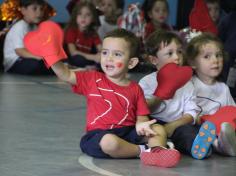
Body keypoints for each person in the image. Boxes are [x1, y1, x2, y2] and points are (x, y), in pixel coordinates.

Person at [24, 23, 181, 167]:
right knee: (109, 143)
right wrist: (51, 56)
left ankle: (157, 152)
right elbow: (65, 74)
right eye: (105, 52)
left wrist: (143, 125)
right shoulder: (92, 78)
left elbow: (141, 117)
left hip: (128, 132)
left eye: (117, 54)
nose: (109, 58)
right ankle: (144, 151)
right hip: (98, 136)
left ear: (131, 63)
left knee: (158, 129)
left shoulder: (135, 88)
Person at [139, 29, 217, 160]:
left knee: (188, 132)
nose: (177, 57)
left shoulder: (187, 83)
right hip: (154, 123)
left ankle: (200, 146)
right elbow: (143, 109)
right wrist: (161, 93)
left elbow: (191, 114)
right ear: (154, 59)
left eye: (179, 52)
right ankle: (159, 149)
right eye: (170, 53)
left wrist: (173, 125)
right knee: (147, 130)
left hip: (178, 124)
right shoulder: (146, 82)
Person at [185, 33, 236, 157]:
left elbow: (232, 112)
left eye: (218, 55)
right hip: (199, 125)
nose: (215, 60)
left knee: (230, 115)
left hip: (221, 127)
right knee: (191, 130)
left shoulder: (223, 88)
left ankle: (224, 142)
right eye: (207, 56)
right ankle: (217, 145)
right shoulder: (189, 84)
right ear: (192, 62)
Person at [3, 0, 53, 75]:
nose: (39, 13)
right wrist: (39, 57)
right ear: (23, 10)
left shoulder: (35, 27)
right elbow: (20, 51)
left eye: (41, 9)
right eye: (34, 9)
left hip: (28, 58)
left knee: (51, 63)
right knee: (35, 65)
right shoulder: (19, 27)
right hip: (14, 62)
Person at [64, 1, 101, 69]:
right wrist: (93, 57)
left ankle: (90, 67)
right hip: (73, 59)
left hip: (88, 59)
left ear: (93, 18)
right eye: (80, 14)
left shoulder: (93, 33)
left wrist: (100, 56)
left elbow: (100, 49)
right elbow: (73, 52)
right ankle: (87, 67)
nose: (83, 17)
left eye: (88, 14)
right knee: (78, 59)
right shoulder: (71, 31)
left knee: (102, 60)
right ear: (75, 16)